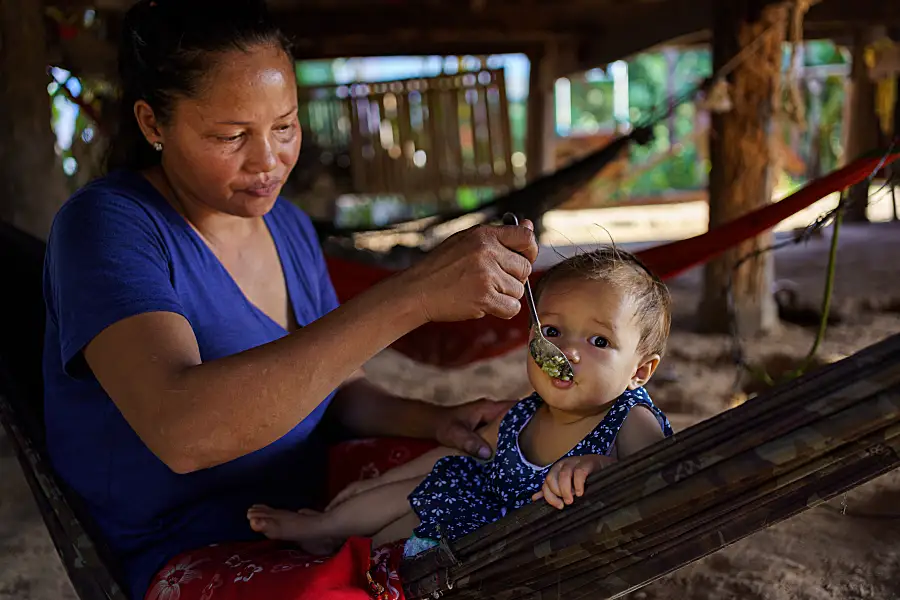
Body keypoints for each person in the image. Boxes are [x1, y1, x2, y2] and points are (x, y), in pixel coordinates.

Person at [40, 1, 538, 598]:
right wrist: (413, 295)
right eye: (231, 136)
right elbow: (183, 433)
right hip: (191, 544)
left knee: (508, 489)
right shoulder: (110, 227)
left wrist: (435, 420)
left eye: (285, 126)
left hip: (314, 501)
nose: (269, 160)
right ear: (152, 124)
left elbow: (338, 388)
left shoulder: (289, 227)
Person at [246, 247, 675, 557]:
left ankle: (358, 550)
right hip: (471, 509)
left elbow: (666, 483)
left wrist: (605, 470)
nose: (568, 352)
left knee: (408, 527)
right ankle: (327, 529)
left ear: (640, 371)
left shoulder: (628, 419)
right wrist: (376, 484)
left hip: (515, 551)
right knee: (424, 485)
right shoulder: (525, 412)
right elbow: (456, 450)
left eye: (599, 340)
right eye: (553, 332)